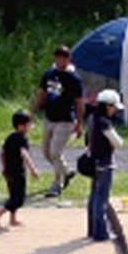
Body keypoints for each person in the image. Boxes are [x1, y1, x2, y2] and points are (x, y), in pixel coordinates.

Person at [34, 45, 84, 198]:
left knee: (56, 152)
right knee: (46, 152)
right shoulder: (49, 74)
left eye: (64, 58)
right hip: (50, 118)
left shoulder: (74, 79)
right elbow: (42, 94)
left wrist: (79, 123)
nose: (60, 61)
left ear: (68, 60)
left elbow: (79, 102)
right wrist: (33, 112)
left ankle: (57, 184)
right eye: (58, 58)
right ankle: (67, 171)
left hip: (65, 120)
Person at [0, 111, 42, 229]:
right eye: (28, 125)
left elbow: (2, 153)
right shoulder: (22, 139)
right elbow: (24, 154)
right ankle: (0, 212)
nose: (30, 127)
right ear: (21, 126)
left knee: (12, 194)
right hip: (17, 171)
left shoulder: (10, 137)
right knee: (19, 198)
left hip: (9, 170)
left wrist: (4, 167)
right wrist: (32, 169)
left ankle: (12, 219)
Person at [85, 89, 122, 241]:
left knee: (94, 197)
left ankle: (92, 230)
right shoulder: (104, 122)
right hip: (105, 164)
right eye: (114, 107)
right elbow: (118, 143)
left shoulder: (92, 118)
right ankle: (101, 233)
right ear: (108, 106)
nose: (115, 111)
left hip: (94, 162)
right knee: (102, 199)